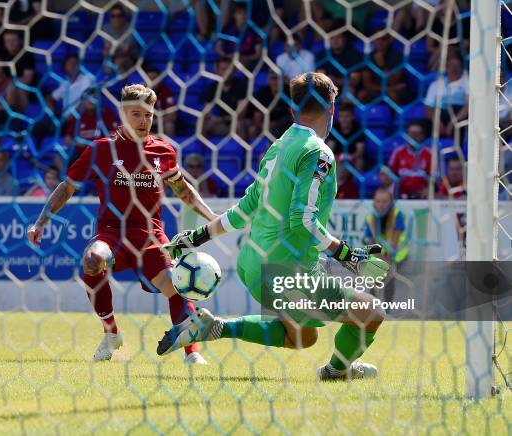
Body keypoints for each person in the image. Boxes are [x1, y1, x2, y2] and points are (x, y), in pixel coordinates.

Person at [157, 72, 389, 381]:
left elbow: (246, 208)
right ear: (332, 108)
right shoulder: (318, 152)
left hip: (253, 266)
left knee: (302, 336)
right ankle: (337, 370)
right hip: (287, 270)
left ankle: (216, 326)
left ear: (292, 109)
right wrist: (348, 255)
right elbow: (303, 220)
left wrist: (197, 237)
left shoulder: (279, 146)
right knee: (372, 312)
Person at [27, 84, 218, 364]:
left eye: (148, 115)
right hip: (112, 234)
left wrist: (213, 218)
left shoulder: (164, 152)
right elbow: (67, 187)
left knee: (177, 285)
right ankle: (111, 333)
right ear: (123, 114)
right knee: (92, 260)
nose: (144, 121)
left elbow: (184, 190)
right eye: (136, 114)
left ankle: (192, 353)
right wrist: (41, 221)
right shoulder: (100, 150)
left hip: (152, 238)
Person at [363, 187, 408, 303]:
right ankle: (372, 306)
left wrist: (386, 257)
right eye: (378, 201)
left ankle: (388, 309)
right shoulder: (370, 217)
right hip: (379, 255)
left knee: (389, 274)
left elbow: (395, 239)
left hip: (396, 253)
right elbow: (370, 241)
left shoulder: (397, 215)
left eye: (384, 202)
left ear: (390, 203)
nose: (381, 205)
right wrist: (378, 258)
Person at [201, 57, 248, 137]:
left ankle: (244, 149)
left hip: (239, 122)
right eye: (222, 69)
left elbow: (240, 115)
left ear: (233, 71)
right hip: (221, 124)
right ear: (217, 71)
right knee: (203, 125)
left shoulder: (242, 86)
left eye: (228, 69)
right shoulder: (212, 88)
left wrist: (219, 120)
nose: (226, 73)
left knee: (239, 125)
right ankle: (201, 149)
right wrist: (212, 119)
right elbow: (206, 112)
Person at [424, 54, 469, 137]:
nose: (454, 69)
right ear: (446, 67)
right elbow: (428, 108)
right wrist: (437, 122)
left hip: (459, 116)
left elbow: (467, 106)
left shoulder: (468, 83)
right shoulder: (436, 85)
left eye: (457, 66)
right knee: (420, 127)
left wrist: (453, 123)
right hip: (438, 116)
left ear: (462, 68)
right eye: (451, 66)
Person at [239, 71, 291, 141]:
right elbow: (257, 116)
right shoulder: (262, 93)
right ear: (269, 81)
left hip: (284, 125)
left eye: (278, 79)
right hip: (265, 124)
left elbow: (292, 114)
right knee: (251, 129)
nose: (276, 82)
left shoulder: (288, 91)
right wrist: (264, 126)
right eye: (273, 79)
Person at [358, 34, 409, 105]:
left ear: (389, 41)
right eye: (377, 39)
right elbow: (367, 84)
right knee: (362, 94)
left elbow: (392, 81)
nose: (380, 42)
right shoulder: (368, 58)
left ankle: (395, 115)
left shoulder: (397, 56)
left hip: (395, 91)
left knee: (392, 94)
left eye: (383, 39)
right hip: (379, 89)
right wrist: (390, 88)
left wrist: (382, 65)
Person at [388, 122, 432, 199]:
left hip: (423, 196)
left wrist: (429, 189)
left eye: (417, 133)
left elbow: (435, 178)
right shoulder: (398, 152)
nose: (413, 136)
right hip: (400, 196)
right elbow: (390, 175)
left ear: (422, 136)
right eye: (411, 133)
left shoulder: (429, 154)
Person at [216, 2, 262, 70]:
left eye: (245, 13)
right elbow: (218, 47)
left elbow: (258, 54)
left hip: (246, 61)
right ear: (234, 15)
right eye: (239, 13)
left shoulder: (255, 31)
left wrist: (243, 57)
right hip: (229, 59)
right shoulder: (227, 28)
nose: (243, 16)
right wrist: (227, 56)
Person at [326, 102, 367, 171]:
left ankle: (356, 181)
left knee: (360, 161)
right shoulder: (335, 128)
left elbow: (360, 151)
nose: (344, 120)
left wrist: (349, 157)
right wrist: (339, 157)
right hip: (338, 159)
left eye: (347, 116)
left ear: (352, 117)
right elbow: (330, 149)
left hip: (353, 158)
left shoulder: (358, 128)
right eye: (341, 116)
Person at [102, 3, 138, 73]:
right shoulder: (106, 28)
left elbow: (126, 51)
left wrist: (112, 53)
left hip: (131, 57)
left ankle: (123, 83)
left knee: (119, 62)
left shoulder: (130, 28)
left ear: (124, 17)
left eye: (119, 15)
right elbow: (106, 49)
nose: (116, 18)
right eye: (113, 16)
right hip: (114, 57)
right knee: (107, 64)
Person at [145, 66, 176, 137]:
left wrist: (154, 122)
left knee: (169, 125)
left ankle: (169, 147)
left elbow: (172, 115)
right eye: (149, 78)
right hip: (143, 122)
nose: (152, 81)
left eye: (154, 78)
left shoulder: (165, 91)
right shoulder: (139, 92)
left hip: (160, 122)